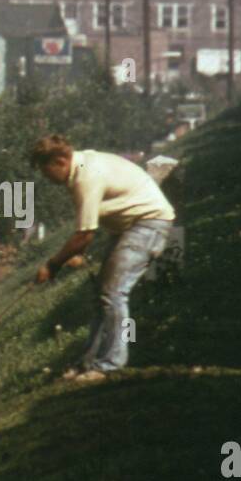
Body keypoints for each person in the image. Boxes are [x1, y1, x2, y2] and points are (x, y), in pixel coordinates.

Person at [30, 134, 175, 382]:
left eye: (47, 171)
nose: (47, 178)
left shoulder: (86, 175)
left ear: (61, 160)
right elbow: (89, 224)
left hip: (148, 223)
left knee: (114, 293)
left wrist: (53, 265)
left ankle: (110, 364)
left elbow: (85, 234)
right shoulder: (80, 169)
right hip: (129, 227)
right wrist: (76, 253)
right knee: (102, 295)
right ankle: (88, 362)